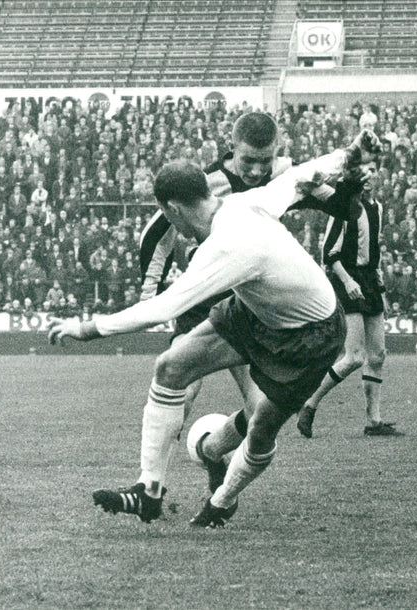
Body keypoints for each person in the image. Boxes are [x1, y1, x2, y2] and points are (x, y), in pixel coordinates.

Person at [48, 135, 371, 527]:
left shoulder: (228, 244)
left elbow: (163, 308)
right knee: (170, 367)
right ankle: (148, 492)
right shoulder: (240, 204)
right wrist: (348, 154)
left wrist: (87, 329)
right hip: (253, 311)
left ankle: (221, 502)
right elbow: (300, 177)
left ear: (172, 209)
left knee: (263, 425)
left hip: (311, 335)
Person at [135, 113, 369, 504]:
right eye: (249, 161)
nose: (259, 169)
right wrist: (149, 292)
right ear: (232, 148)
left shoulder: (288, 177)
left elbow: (345, 210)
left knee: (257, 406)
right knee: (181, 384)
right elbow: (154, 234)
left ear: (276, 151)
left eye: (266, 159)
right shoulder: (206, 184)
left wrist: (351, 188)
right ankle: (151, 486)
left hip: (253, 306)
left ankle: (212, 452)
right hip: (204, 299)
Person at [296, 149, 403, 439]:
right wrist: (347, 281)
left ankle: (374, 421)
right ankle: (309, 403)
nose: (367, 178)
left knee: (378, 354)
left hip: (369, 281)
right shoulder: (343, 207)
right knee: (354, 357)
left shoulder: (376, 207)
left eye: (371, 172)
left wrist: (380, 288)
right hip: (347, 280)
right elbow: (328, 253)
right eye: (361, 173)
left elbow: (376, 252)